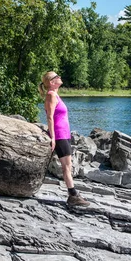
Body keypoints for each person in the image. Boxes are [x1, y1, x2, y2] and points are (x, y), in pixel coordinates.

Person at [39, 71, 90, 207]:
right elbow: (49, 117)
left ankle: (73, 194)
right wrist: (53, 137)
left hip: (65, 134)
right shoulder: (50, 95)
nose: (60, 77)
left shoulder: (55, 94)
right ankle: (73, 195)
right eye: (57, 77)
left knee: (69, 165)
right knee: (66, 166)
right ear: (51, 82)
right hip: (59, 135)